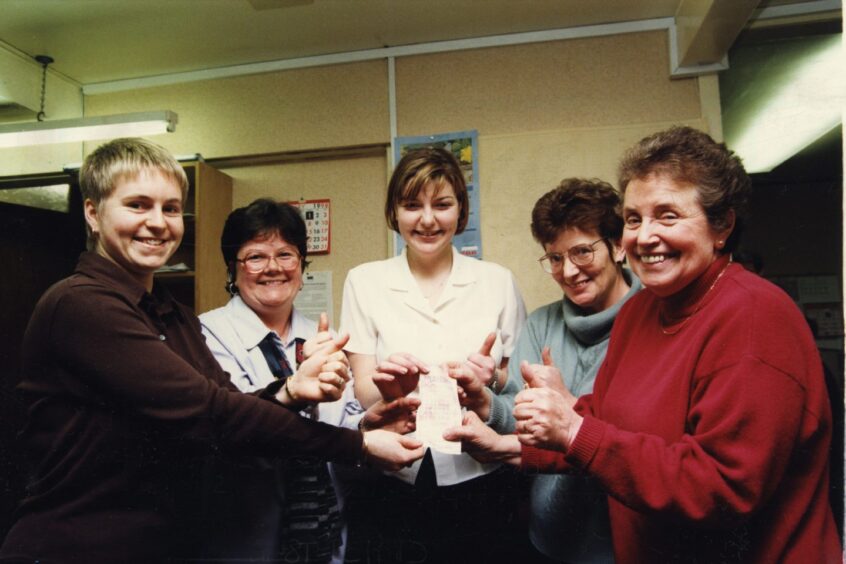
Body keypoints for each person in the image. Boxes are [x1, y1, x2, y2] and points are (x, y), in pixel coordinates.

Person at [0, 138, 424, 564]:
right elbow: (212, 414)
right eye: (137, 205)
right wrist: (360, 447)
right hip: (79, 546)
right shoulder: (81, 304)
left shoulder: (174, 315)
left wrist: (293, 392)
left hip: (164, 543)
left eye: (170, 208)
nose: (157, 223)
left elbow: (231, 410)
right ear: (93, 213)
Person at [448, 126, 842, 562]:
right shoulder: (643, 312)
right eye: (634, 219)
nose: (644, 236)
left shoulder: (755, 317)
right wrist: (510, 440)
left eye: (668, 215)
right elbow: (605, 423)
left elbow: (722, 487)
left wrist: (575, 428)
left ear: (722, 225)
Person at [199, 198, 419, 563]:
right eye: (255, 256)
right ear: (232, 268)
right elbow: (236, 430)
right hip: (245, 534)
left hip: (325, 537)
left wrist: (371, 422)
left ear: (302, 265)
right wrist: (297, 393)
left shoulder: (326, 339)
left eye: (286, 254)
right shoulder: (207, 335)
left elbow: (345, 426)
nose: (273, 268)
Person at [339, 146, 527, 561]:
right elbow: (364, 394)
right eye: (411, 205)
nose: (427, 219)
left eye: (442, 204)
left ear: (460, 210)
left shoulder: (496, 281)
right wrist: (390, 386)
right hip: (398, 469)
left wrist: (488, 379)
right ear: (394, 212)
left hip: (480, 470)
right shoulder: (364, 281)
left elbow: (513, 388)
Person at [488, 178, 641, 563]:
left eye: (582, 252)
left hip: (626, 542)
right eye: (555, 258)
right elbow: (519, 427)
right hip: (548, 539)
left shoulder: (652, 320)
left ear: (619, 246)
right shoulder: (541, 325)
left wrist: (568, 411)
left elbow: (648, 441)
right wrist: (485, 403)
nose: (569, 271)